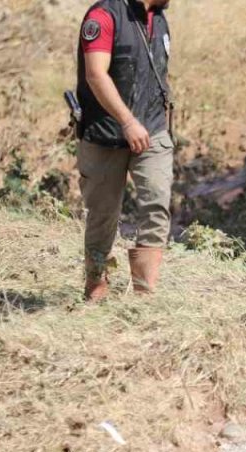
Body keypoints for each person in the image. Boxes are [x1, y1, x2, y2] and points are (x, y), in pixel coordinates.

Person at [75, 0, 174, 302]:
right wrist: (128, 121)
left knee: (157, 203)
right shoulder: (102, 17)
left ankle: (144, 296)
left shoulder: (159, 19)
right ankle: (96, 286)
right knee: (103, 216)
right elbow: (96, 74)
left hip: (153, 130)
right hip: (106, 135)